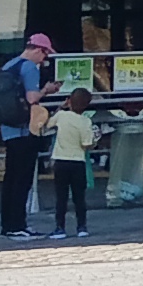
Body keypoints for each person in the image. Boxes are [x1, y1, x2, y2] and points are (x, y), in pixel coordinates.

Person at [0, 32, 52, 241]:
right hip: (25, 129)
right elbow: (32, 98)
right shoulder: (29, 68)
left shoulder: (9, 65)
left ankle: (8, 225)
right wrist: (47, 90)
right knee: (23, 179)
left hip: (8, 128)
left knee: (11, 178)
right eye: (45, 54)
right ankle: (18, 225)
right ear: (38, 50)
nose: (44, 59)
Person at [41, 81, 97, 236]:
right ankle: (82, 227)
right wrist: (94, 142)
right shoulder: (85, 121)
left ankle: (60, 228)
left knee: (61, 197)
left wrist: (61, 106)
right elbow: (87, 144)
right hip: (78, 162)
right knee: (79, 197)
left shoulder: (61, 116)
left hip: (60, 161)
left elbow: (48, 123)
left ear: (69, 101)